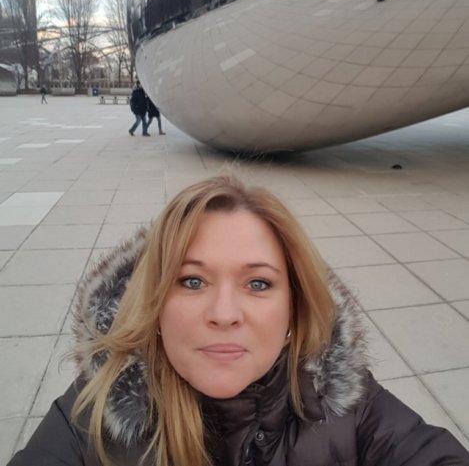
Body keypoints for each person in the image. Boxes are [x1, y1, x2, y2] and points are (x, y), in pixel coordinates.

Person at [8, 175, 469, 466]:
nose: (225, 315)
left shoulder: (347, 403)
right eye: (191, 282)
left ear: (294, 310)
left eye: (258, 284)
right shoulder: (93, 413)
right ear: (154, 307)